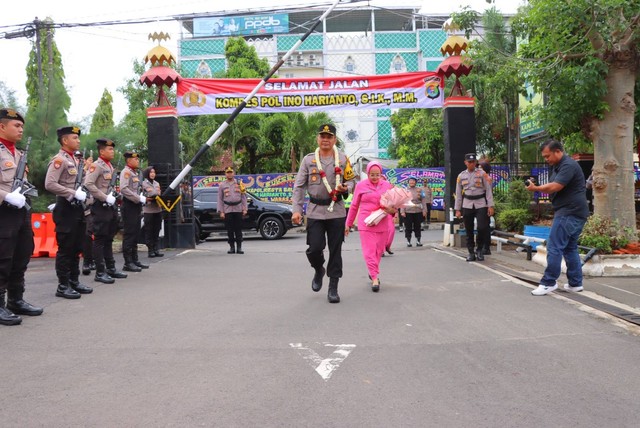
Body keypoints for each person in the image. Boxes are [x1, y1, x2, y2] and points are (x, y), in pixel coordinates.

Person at [292, 123, 355, 303]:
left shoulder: (342, 159)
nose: (325, 139)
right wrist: (297, 210)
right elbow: (298, 186)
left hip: (336, 210)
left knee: (335, 250)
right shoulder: (308, 160)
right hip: (314, 211)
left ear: (334, 139)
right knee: (315, 248)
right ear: (318, 139)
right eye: (322, 136)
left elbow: (352, 181)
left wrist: (346, 188)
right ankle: (319, 269)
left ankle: (333, 287)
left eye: (329, 137)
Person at [526, 139, 589, 296]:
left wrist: (536, 188)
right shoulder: (558, 166)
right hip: (574, 211)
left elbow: (555, 186)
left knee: (554, 246)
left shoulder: (568, 165)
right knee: (570, 247)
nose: (546, 159)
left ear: (558, 151)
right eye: (544, 157)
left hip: (569, 212)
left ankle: (549, 282)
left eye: (548, 156)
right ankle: (575, 283)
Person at [0, 108, 43, 326]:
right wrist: (6, 196)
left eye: (21, 126)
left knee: (21, 254)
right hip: (3, 212)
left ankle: (16, 300)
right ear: (1, 126)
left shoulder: (17, 153)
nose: (20, 129)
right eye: (16, 125)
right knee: (2, 258)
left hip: (21, 211)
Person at [44, 126, 93, 299]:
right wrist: (72, 193)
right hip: (65, 208)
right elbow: (50, 184)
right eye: (75, 138)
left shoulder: (76, 160)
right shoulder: (60, 160)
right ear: (65, 140)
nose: (78, 141)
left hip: (78, 208)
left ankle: (74, 281)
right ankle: (62, 286)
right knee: (66, 248)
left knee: (77, 247)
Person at [345, 161, 395, 292]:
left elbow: (393, 205)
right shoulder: (361, 186)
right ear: (367, 174)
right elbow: (354, 206)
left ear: (381, 174)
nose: (374, 177)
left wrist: (393, 211)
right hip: (366, 222)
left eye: (377, 174)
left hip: (382, 221)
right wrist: (348, 224)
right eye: (372, 174)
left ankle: (372, 270)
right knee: (369, 251)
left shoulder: (387, 186)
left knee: (378, 251)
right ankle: (374, 277)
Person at [84, 138, 127, 283]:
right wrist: (104, 197)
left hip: (110, 206)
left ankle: (111, 268)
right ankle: (100, 272)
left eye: (112, 149)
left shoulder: (109, 166)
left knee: (109, 238)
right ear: (101, 151)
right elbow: (88, 183)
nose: (112, 151)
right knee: (100, 239)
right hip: (100, 206)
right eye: (109, 149)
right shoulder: (97, 166)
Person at [454, 153, 495, 262]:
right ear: (465, 163)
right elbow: (458, 194)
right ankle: (471, 252)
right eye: (469, 162)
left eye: (473, 162)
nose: (472, 164)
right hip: (467, 204)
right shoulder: (461, 176)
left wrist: (490, 205)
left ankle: (480, 250)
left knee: (482, 227)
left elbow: (488, 190)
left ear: (476, 162)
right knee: (469, 229)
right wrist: (457, 209)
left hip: (481, 203)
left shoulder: (482, 174)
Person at [119, 151, 149, 272]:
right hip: (129, 205)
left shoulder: (135, 173)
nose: (137, 161)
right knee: (129, 234)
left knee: (135, 233)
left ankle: (135, 259)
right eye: (135, 159)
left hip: (136, 205)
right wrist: (138, 198)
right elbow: (124, 189)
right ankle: (128, 262)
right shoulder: (126, 172)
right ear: (129, 160)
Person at [218, 166, 248, 254]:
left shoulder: (239, 183)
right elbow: (220, 199)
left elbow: (243, 196)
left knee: (238, 229)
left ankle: (239, 247)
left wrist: (245, 208)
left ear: (233, 173)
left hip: (238, 209)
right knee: (230, 230)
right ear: (225, 174)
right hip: (227, 210)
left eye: (231, 172)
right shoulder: (222, 185)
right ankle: (231, 247)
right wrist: (221, 211)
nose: (229, 174)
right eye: (228, 172)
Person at [142, 166, 164, 258]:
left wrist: (156, 194)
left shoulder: (157, 183)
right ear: (147, 173)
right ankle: (150, 249)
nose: (152, 174)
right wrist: (155, 194)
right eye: (151, 172)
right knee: (149, 230)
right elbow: (150, 194)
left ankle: (156, 248)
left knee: (157, 229)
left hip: (157, 209)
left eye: (154, 172)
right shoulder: (143, 183)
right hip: (148, 210)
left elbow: (159, 194)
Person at [400, 176, 427, 247]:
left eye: (413, 181)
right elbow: (402, 201)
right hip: (408, 211)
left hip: (418, 211)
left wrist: (424, 210)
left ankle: (418, 241)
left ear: (415, 182)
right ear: (408, 182)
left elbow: (423, 201)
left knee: (417, 226)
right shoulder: (405, 190)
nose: (412, 182)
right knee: (408, 227)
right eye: (410, 181)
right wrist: (402, 211)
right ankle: (408, 241)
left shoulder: (420, 190)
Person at [81, 155, 96, 275]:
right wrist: (85, 168)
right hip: (80, 208)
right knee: (85, 235)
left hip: (92, 206)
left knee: (92, 234)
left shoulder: (93, 172)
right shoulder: (79, 171)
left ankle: (91, 259)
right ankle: (87, 261)